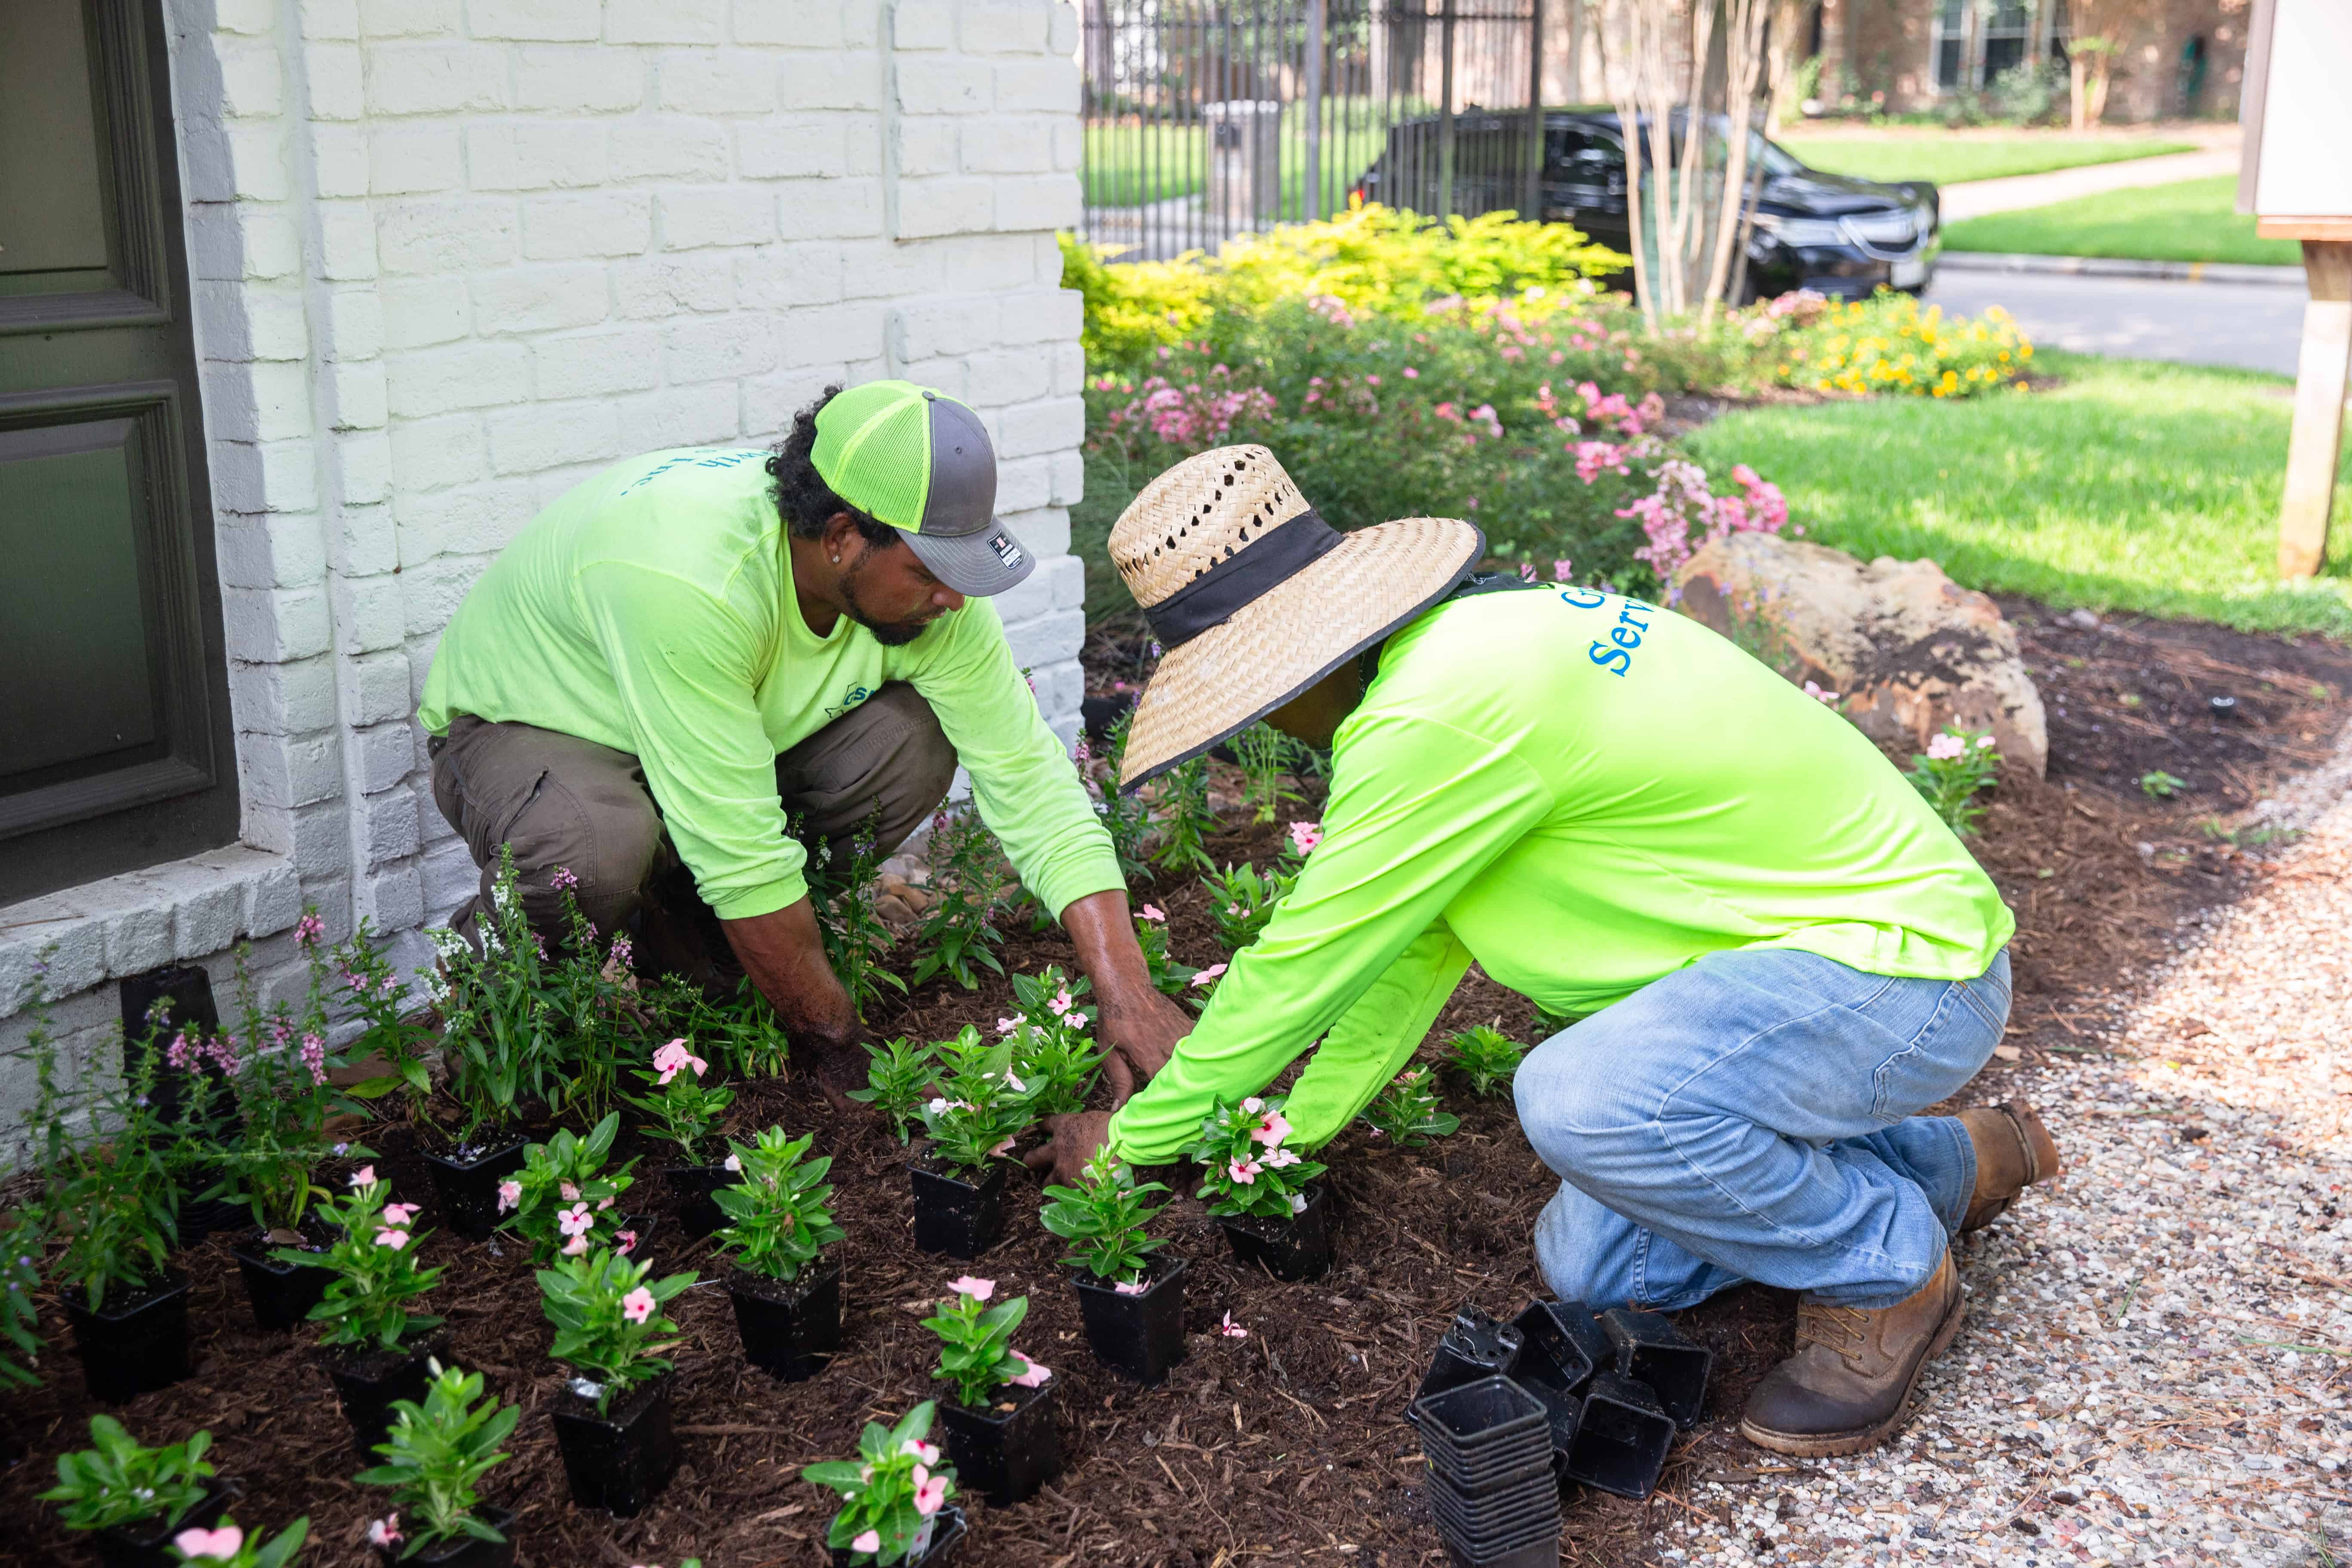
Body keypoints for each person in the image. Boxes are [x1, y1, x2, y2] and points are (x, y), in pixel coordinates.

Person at [1027, 444, 2063, 1458]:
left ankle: (1886, 1271)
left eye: (1248, 698)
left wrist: (1130, 1148)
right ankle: (1948, 1162)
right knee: (1602, 1274)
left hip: (1901, 974)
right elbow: (1404, 960)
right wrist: (1288, 1136)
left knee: (1586, 1104)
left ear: (1299, 656)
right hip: (1802, 979)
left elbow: (1297, 970)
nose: (1261, 724)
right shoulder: (1478, 640)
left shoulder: (1436, 715)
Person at [417, 381, 1191, 1102]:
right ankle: (487, 992)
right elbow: (742, 854)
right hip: (534, 725)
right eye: (930, 570)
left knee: (910, 743)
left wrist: (1128, 995)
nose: (955, 597)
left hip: (710, 736)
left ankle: (685, 953)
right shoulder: (695, 579)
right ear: (843, 537)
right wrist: (843, 1054)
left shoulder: (936, 599)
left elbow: (1030, 782)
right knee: (591, 845)